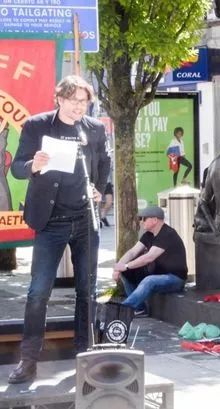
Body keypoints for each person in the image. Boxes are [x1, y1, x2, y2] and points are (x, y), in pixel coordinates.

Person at [8, 75, 110, 384]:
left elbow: (103, 163)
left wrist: (99, 191)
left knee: (87, 292)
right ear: (60, 99)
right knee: (38, 293)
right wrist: (34, 165)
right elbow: (17, 166)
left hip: (84, 222)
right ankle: (28, 361)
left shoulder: (93, 129)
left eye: (84, 102)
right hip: (50, 221)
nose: (80, 106)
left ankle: (85, 356)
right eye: (75, 101)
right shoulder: (38, 125)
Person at [112, 206, 187, 316]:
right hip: (158, 275)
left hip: (175, 279)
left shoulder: (167, 234)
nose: (141, 222)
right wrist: (119, 268)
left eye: (144, 218)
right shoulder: (148, 235)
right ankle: (139, 308)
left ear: (155, 220)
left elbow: (149, 257)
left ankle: (123, 310)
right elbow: (132, 252)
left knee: (149, 280)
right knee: (126, 273)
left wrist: (126, 265)